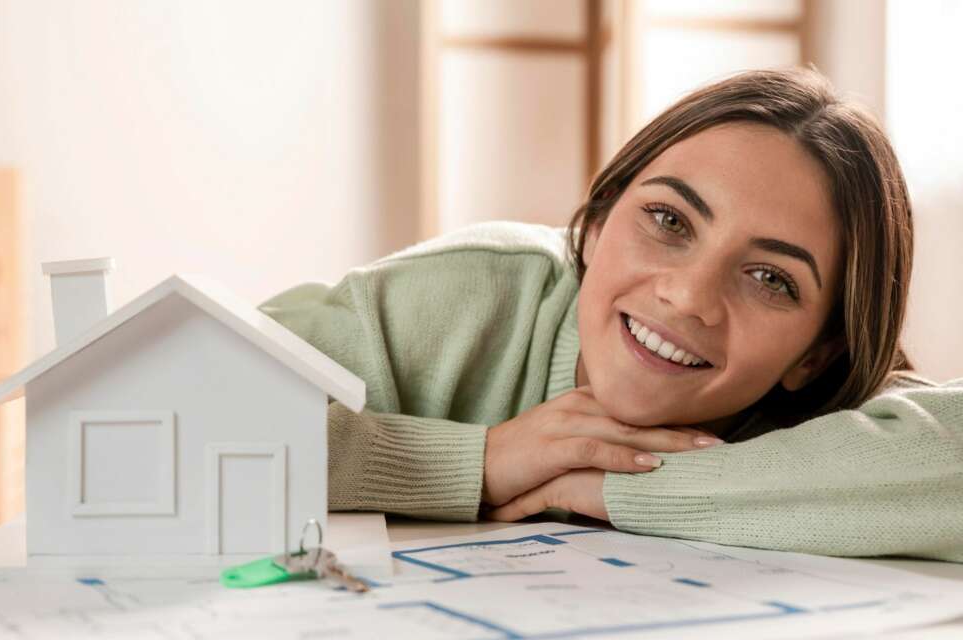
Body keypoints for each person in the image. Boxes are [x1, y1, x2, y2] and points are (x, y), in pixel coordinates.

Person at [259, 68, 963, 562]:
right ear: (596, 226)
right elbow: (173, 401)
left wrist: (625, 486)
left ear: (815, 354)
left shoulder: (830, 403)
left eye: (770, 278)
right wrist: (480, 462)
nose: (687, 296)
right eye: (668, 218)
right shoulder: (473, 292)